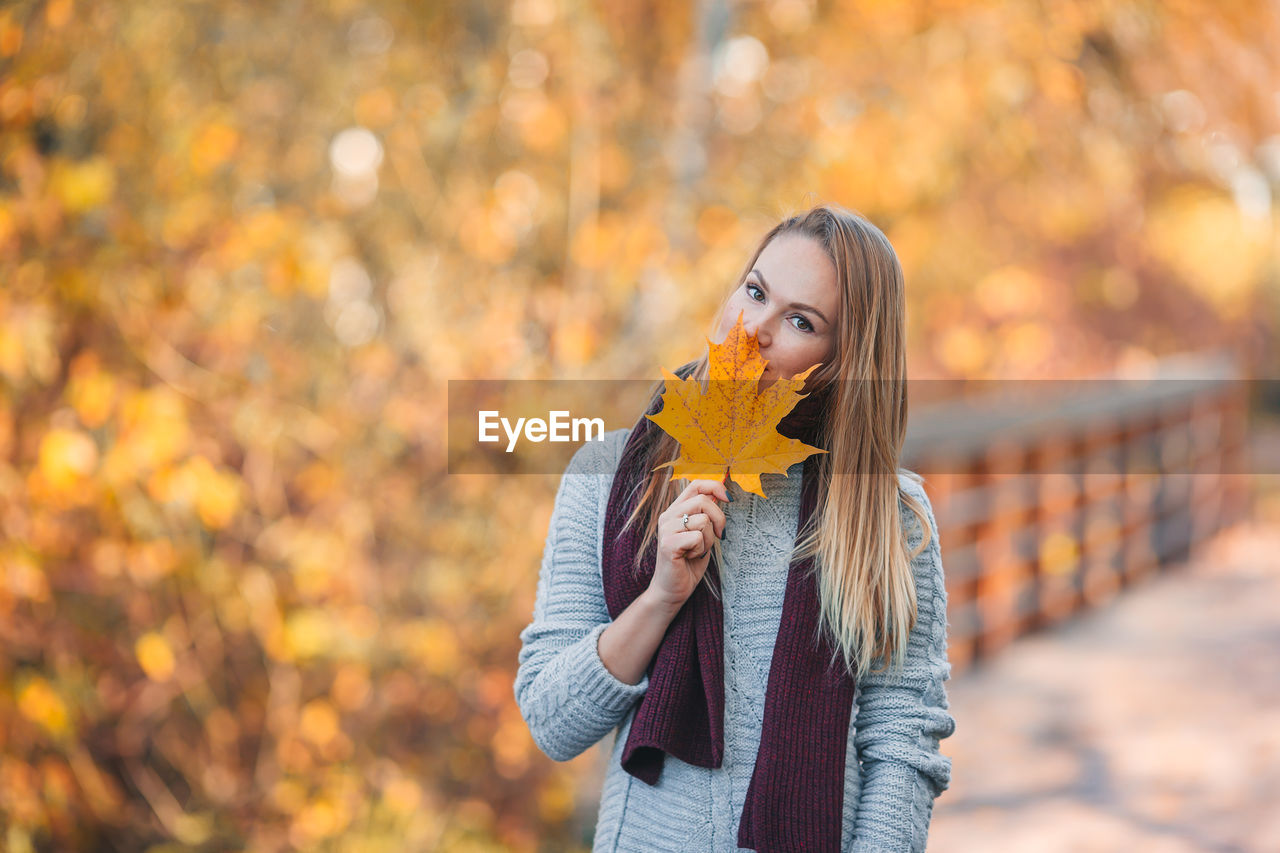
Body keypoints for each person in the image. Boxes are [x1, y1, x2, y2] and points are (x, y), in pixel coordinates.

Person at [514, 203, 956, 852]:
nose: (755, 329)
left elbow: (902, 743)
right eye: (754, 291)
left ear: (843, 360)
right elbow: (553, 723)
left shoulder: (887, 516)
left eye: (801, 320)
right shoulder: (606, 474)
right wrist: (661, 596)